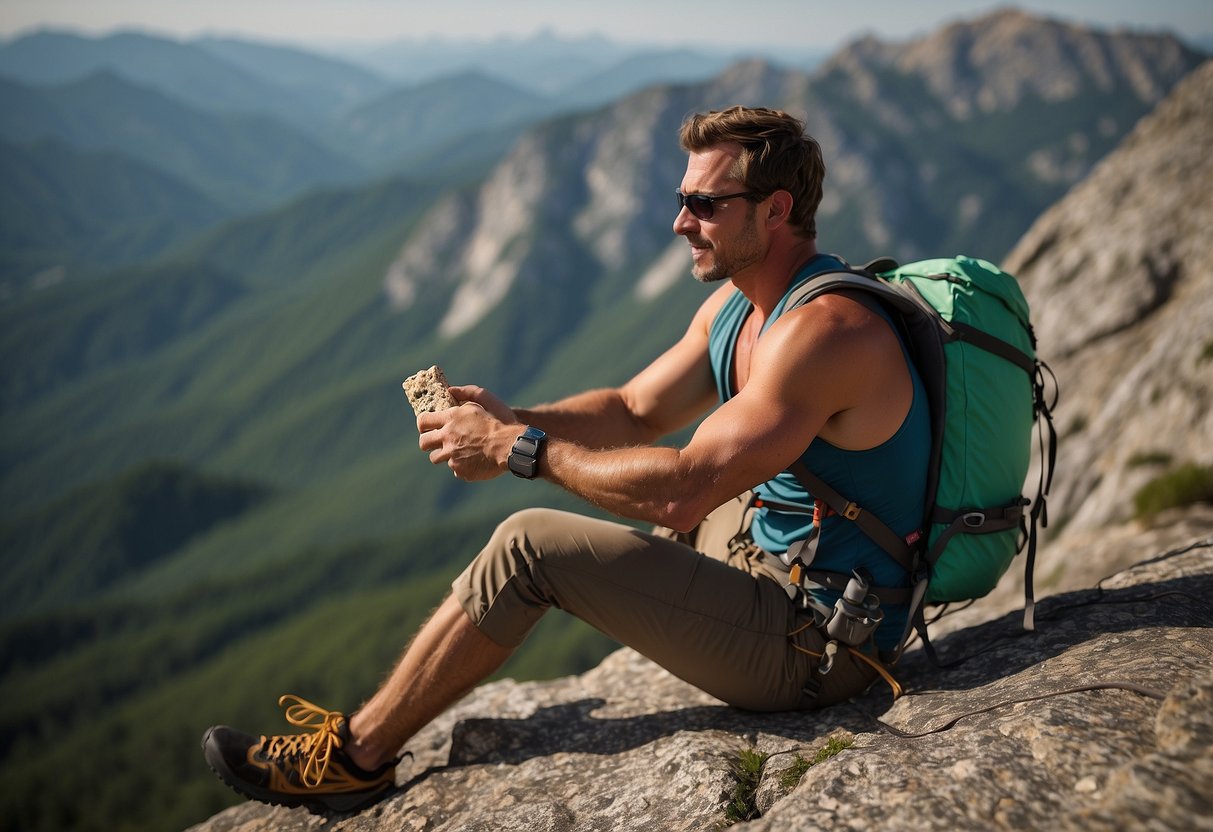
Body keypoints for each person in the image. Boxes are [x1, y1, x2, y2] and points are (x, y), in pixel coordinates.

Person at [202, 105, 930, 812]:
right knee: (637, 493)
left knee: (530, 547)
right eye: (681, 199)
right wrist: (509, 418)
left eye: (704, 204)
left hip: (819, 643)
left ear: (775, 211)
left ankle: (352, 760)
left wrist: (516, 452)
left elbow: (681, 495)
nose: (680, 222)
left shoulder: (826, 332)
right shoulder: (738, 308)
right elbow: (633, 411)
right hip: (769, 560)